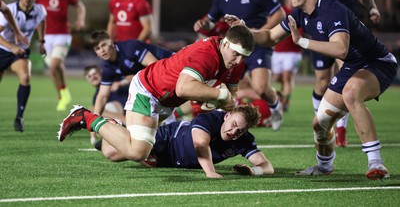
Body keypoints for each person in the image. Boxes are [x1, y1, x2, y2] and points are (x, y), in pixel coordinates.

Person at [225, 0, 397, 180]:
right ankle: (324, 166)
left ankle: (376, 163)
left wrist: (303, 41)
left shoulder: (332, 9)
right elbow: (270, 37)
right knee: (320, 124)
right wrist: (245, 29)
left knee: (351, 94)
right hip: (353, 67)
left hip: (377, 63)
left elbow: (340, 48)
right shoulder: (299, 14)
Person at [58, 25, 255, 164]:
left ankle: (116, 126)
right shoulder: (207, 54)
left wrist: (216, 102)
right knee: (138, 152)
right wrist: (217, 96)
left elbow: (230, 96)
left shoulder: (234, 62)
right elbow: (184, 88)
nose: (238, 61)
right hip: (149, 89)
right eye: (236, 54)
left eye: (243, 57)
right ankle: (85, 116)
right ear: (226, 44)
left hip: (167, 101)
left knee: (113, 152)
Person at [193, 0, 286, 131]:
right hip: (233, 50)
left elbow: (279, 14)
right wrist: (203, 24)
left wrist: (260, 33)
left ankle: (276, 107)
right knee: (223, 87)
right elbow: (211, 21)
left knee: (261, 88)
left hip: (257, 46)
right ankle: (223, 122)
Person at [313, 0, 382, 147]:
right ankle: (322, 124)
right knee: (323, 82)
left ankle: (340, 127)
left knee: (347, 79)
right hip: (321, 30)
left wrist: (372, 8)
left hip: (348, 31)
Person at [13, 0, 86, 112]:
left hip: (62, 35)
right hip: (46, 37)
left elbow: (80, 5)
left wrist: (81, 19)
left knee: (54, 65)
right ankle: (62, 95)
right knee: (56, 67)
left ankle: (63, 92)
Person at [84, 31, 174, 144]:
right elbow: (102, 96)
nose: (102, 50)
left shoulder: (129, 47)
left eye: (103, 45)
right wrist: (94, 121)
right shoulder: (108, 68)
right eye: (97, 48)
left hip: (173, 67)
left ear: (111, 42)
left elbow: (156, 67)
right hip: (160, 81)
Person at [138, 105, 274, 178]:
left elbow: (267, 166)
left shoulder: (244, 140)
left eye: (240, 131)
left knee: (135, 156)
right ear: (227, 116)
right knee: (118, 153)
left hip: (170, 162)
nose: (233, 132)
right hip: (167, 139)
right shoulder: (211, 118)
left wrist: (253, 170)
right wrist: (210, 172)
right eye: (233, 125)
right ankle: (118, 125)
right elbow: (200, 144)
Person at [0, 0, 46, 132]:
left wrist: (42, 41)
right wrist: (11, 46)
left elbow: (41, 21)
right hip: (3, 48)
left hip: (20, 51)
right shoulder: (10, 10)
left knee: (25, 77)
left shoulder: (40, 10)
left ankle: (19, 116)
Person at [83, 65, 128, 144]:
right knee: (95, 112)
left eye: (94, 74)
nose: (93, 77)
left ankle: (124, 122)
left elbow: (134, 75)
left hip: (132, 111)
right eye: (89, 76)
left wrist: (121, 83)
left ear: (101, 73)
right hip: (118, 120)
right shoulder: (97, 97)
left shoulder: (113, 78)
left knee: (93, 109)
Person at [271, 1, 303, 112]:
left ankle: (285, 103)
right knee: (276, 78)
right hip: (278, 50)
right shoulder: (280, 11)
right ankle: (284, 93)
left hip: (293, 52)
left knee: (286, 78)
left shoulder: (301, 11)